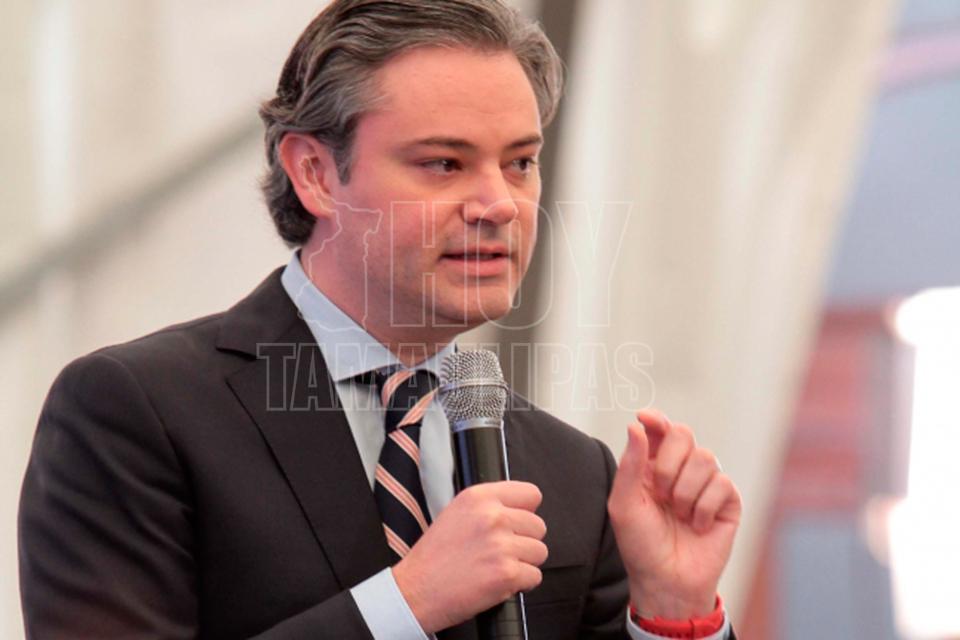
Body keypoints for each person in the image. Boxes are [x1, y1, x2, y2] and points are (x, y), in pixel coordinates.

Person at [18, 1, 743, 638]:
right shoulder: (137, 412)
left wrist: (673, 611)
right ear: (315, 173)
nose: (500, 204)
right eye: (444, 164)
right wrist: (408, 603)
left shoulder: (574, 471)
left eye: (520, 163)